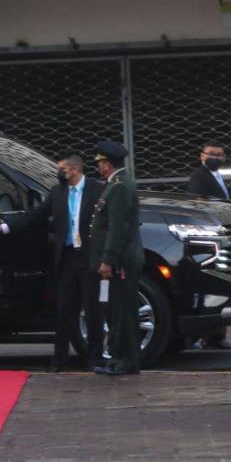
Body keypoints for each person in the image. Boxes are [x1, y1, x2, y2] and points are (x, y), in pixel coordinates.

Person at [0, 153, 104, 372]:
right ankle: (59, 359)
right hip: (66, 257)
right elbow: (32, 216)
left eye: (62, 169)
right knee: (64, 309)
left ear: (74, 170)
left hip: (88, 256)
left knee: (92, 309)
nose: (59, 173)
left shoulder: (96, 190)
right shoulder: (57, 193)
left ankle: (95, 358)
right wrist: (0, 228)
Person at [90, 140, 144, 376]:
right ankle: (119, 355)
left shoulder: (120, 186)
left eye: (100, 162)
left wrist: (108, 260)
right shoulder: (116, 184)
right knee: (115, 309)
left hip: (121, 260)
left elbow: (117, 228)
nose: (99, 167)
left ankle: (126, 359)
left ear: (108, 164)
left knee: (123, 311)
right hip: (118, 259)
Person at [185, 141, 231, 350]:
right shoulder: (199, 178)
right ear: (201, 156)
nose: (215, 158)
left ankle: (216, 336)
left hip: (222, 237)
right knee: (209, 287)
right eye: (211, 154)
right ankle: (204, 336)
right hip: (209, 238)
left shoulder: (218, 177)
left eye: (219, 154)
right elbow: (199, 208)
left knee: (220, 287)